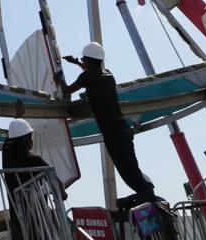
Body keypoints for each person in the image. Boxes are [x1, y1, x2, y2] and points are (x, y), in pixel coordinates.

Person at [62, 42, 157, 203]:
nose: (82, 61)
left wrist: (58, 80)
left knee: (126, 169)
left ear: (89, 60)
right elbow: (91, 73)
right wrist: (76, 63)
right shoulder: (108, 74)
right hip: (123, 129)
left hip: (113, 133)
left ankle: (147, 195)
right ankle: (147, 193)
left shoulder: (87, 77)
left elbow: (67, 90)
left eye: (83, 59)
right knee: (132, 166)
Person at [2, 118, 49, 240]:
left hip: (16, 221)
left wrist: (17, 116)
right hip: (35, 219)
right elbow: (58, 185)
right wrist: (61, 191)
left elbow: (9, 139)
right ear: (26, 141)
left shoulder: (6, 154)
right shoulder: (34, 161)